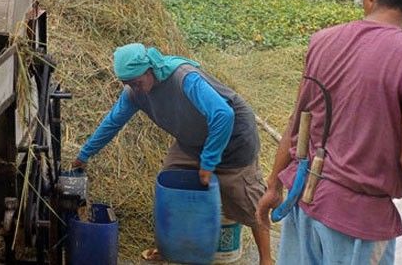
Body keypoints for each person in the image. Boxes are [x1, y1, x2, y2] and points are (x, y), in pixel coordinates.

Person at [256, 0, 402, 265]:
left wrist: (273, 185)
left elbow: (297, 121)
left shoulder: (321, 41)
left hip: (304, 201)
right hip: (360, 221)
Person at [73, 43, 272, 265]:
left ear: (149, 70)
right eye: (128, 84)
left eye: (137, 82)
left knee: (249, 200)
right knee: (170, 183)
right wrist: (83, 155)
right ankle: (173, 248)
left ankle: (266, 259)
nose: (134, 88)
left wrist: (208, 162)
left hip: (234, 139)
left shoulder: (184, 78)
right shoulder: (134, 93)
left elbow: (223, 115)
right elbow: (112, 123)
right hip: (192, 141)